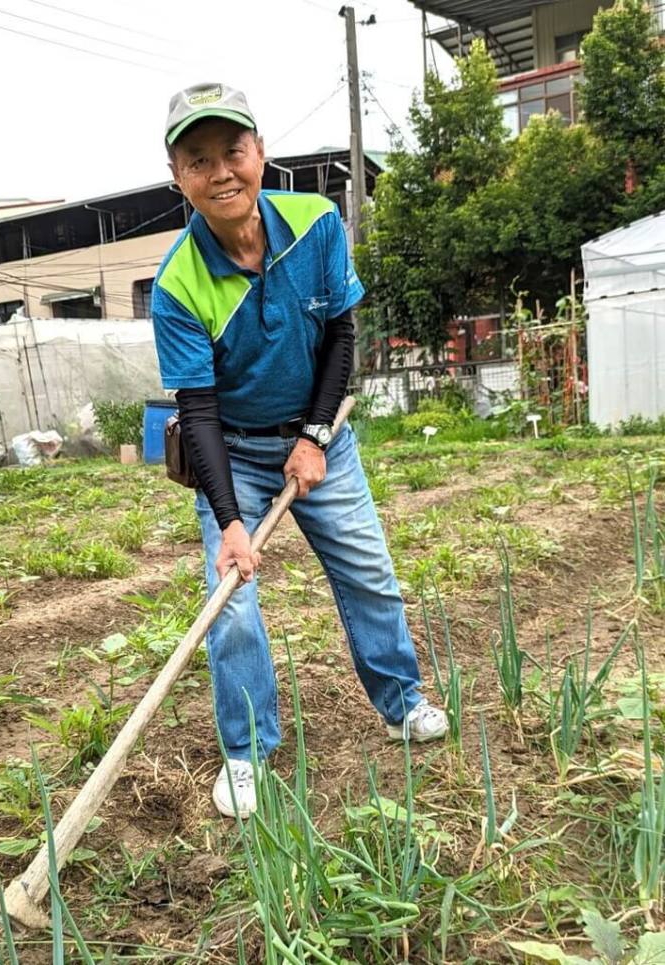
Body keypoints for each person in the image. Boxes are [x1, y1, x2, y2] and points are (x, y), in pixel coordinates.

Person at [151, 83, 447, 819]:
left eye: (233, 151)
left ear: (260, 152)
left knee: (368, 572)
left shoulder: (316, 224)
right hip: (234, 453)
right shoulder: (177, 285)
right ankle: (247, 751)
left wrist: (314, 438)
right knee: (231, 606)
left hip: (323, 441)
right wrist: (230, 522)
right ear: (178, 177)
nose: (221, 172)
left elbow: (342, 335)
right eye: (198, 160)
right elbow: (198, 410)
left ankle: (402, 702)